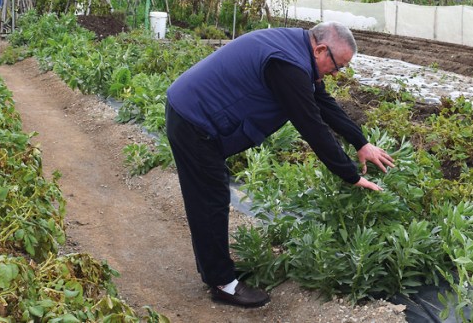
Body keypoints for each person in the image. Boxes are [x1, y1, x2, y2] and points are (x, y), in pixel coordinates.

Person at [165, 21, 395, 308]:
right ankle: (223, 284)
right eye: (337, 66)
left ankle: (215, 269)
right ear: (321, 49)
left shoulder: (296, 49)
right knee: (210, 198)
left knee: (209, 195)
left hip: (193, 112)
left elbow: (323, 102)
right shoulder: (287, 65)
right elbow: (311, 124)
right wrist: (350, 174)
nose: (336, 74)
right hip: (194, 120)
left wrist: (360, 142)